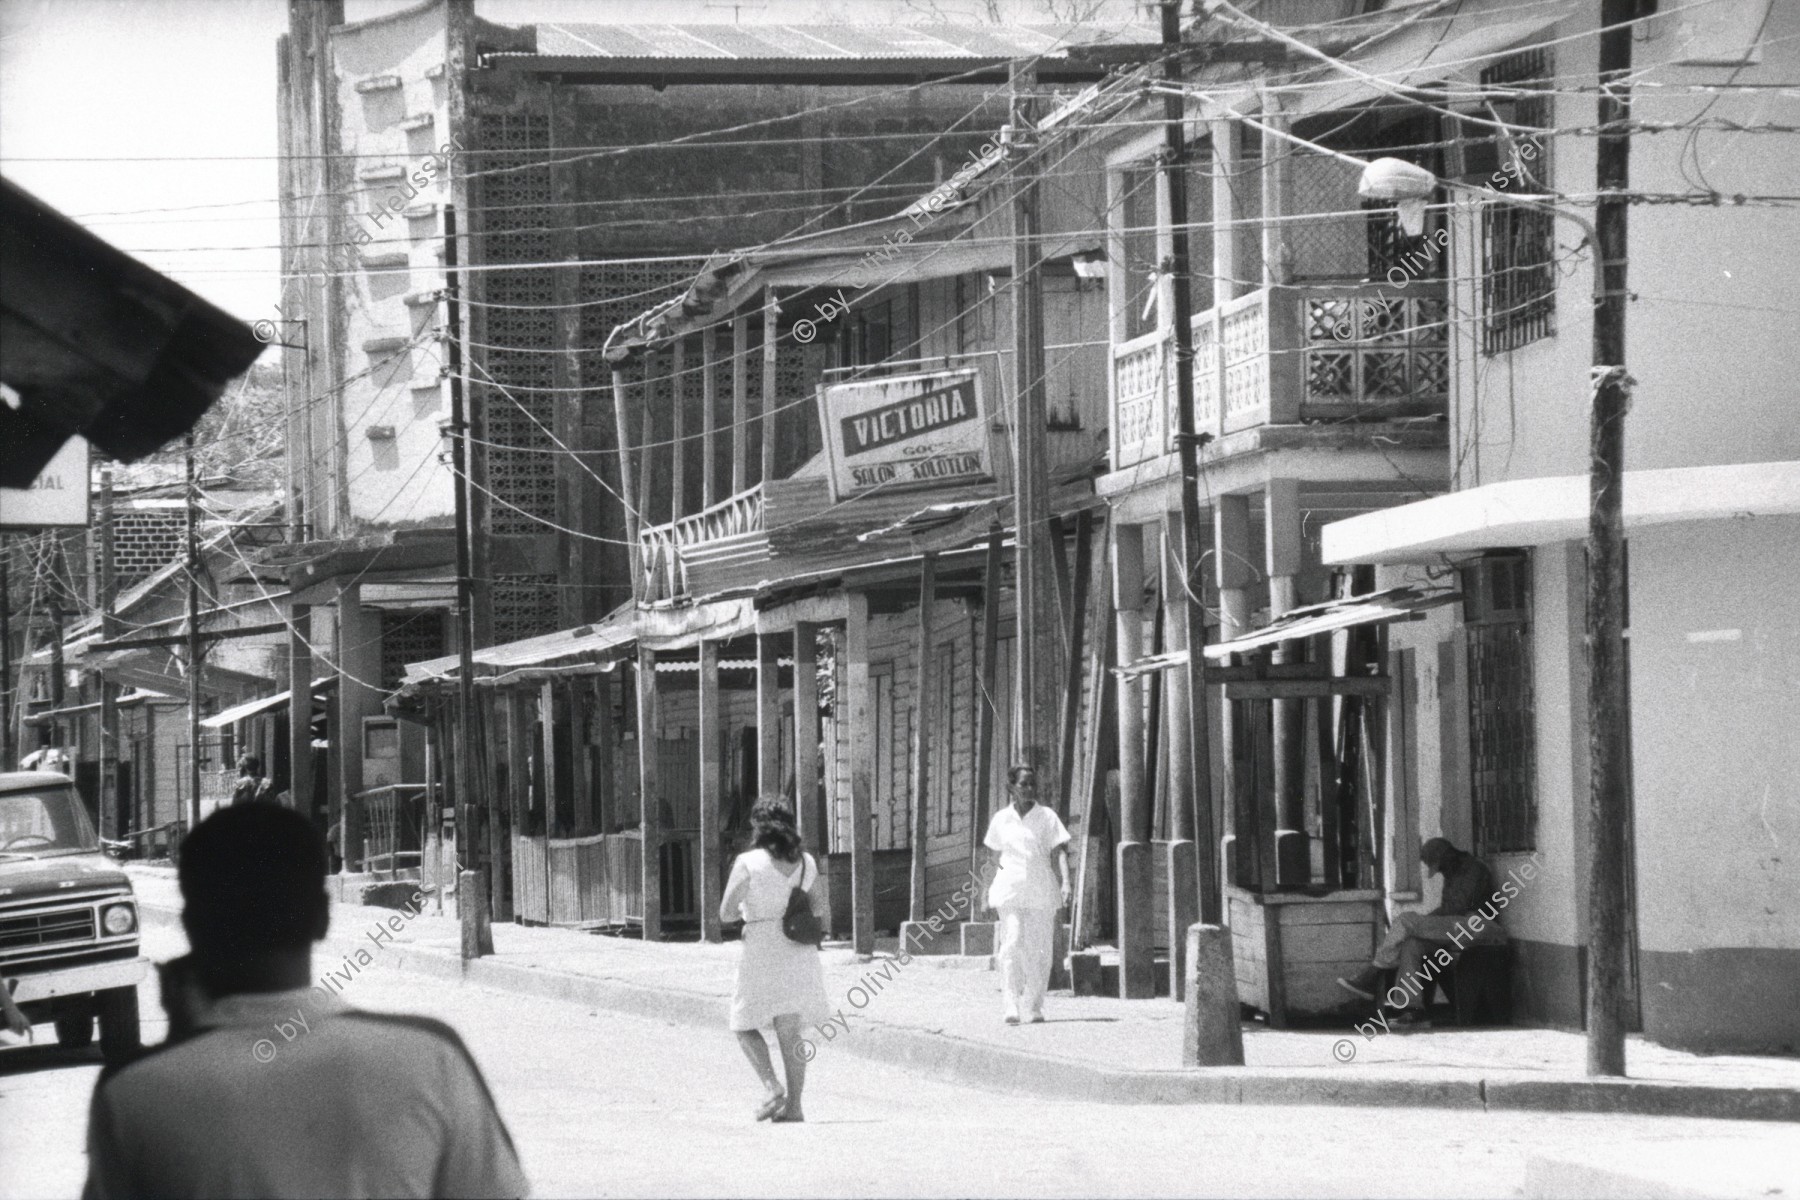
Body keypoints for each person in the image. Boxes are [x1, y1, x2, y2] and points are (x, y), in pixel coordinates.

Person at [83, 804, 527, 1199]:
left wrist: (182, 1042)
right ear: (322, 917)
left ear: (191, 925)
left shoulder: (131, 1093)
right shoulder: (431, 1056)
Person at [719, 797, 829, 1123]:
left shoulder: (748, 862)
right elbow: (820, 908)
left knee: (742, 1023)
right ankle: (795, 1107)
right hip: (797, 948)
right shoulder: (806, 862)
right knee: (790, 1032)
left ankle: (771, 1085)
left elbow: (725, 913)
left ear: (758, 827)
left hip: (761, 946)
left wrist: (750, 909)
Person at [1336, 836, 1507, 1021]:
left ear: (1447, 856)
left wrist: (1420, 923)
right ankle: (1411, 1008)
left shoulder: (1474, 869)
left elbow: (1457, 908)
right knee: (1412, 944)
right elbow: (1447, 912)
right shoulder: (1452, 871)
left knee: (1405, 920)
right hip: (1460, 927)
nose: (1440, 872)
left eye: (1439, 867)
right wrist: (1423, 923)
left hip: (1482, 926)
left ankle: (1374, 972)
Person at [982, 764, 1072, 1025]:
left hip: (1042, 891)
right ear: (1011, 787)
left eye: (1033, 784)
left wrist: (1066, 882)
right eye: (1024, 784)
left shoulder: (1047, 817)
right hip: (1009, 890)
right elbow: (994, 857)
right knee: (1011, 944)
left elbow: (1060, 851)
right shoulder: (1001, 819)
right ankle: (1010, 1005)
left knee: (1040, 951)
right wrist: (984, 890)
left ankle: (1033, 1006)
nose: (1030, 789)